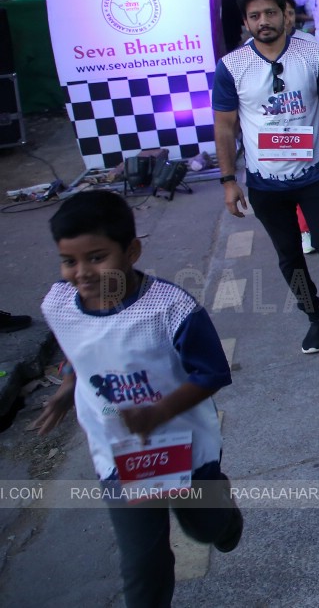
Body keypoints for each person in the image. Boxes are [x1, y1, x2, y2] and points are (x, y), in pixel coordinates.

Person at [35, 191, 243, 607]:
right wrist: (67, 387)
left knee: (206, 529)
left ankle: (222, 514)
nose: (82, 274)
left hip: (185, 447)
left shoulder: (170, 308)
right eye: (69, 261)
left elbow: (213, 372)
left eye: (96, 257)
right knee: (142, 561)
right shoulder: (58, 304)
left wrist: (159, 412)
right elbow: (83, 348)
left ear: (132, 251)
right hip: (117, 454)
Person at [213, 0, 319, 354]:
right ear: (245, 22)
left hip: (317, 173)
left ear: (285, 14)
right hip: (266, 183)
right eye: (254, 16)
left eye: (270, 12)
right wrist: (229, 181)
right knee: (288, 255)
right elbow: (224, 127)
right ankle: (314, 319)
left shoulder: (310, 54)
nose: (263, 22)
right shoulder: (231, 66)